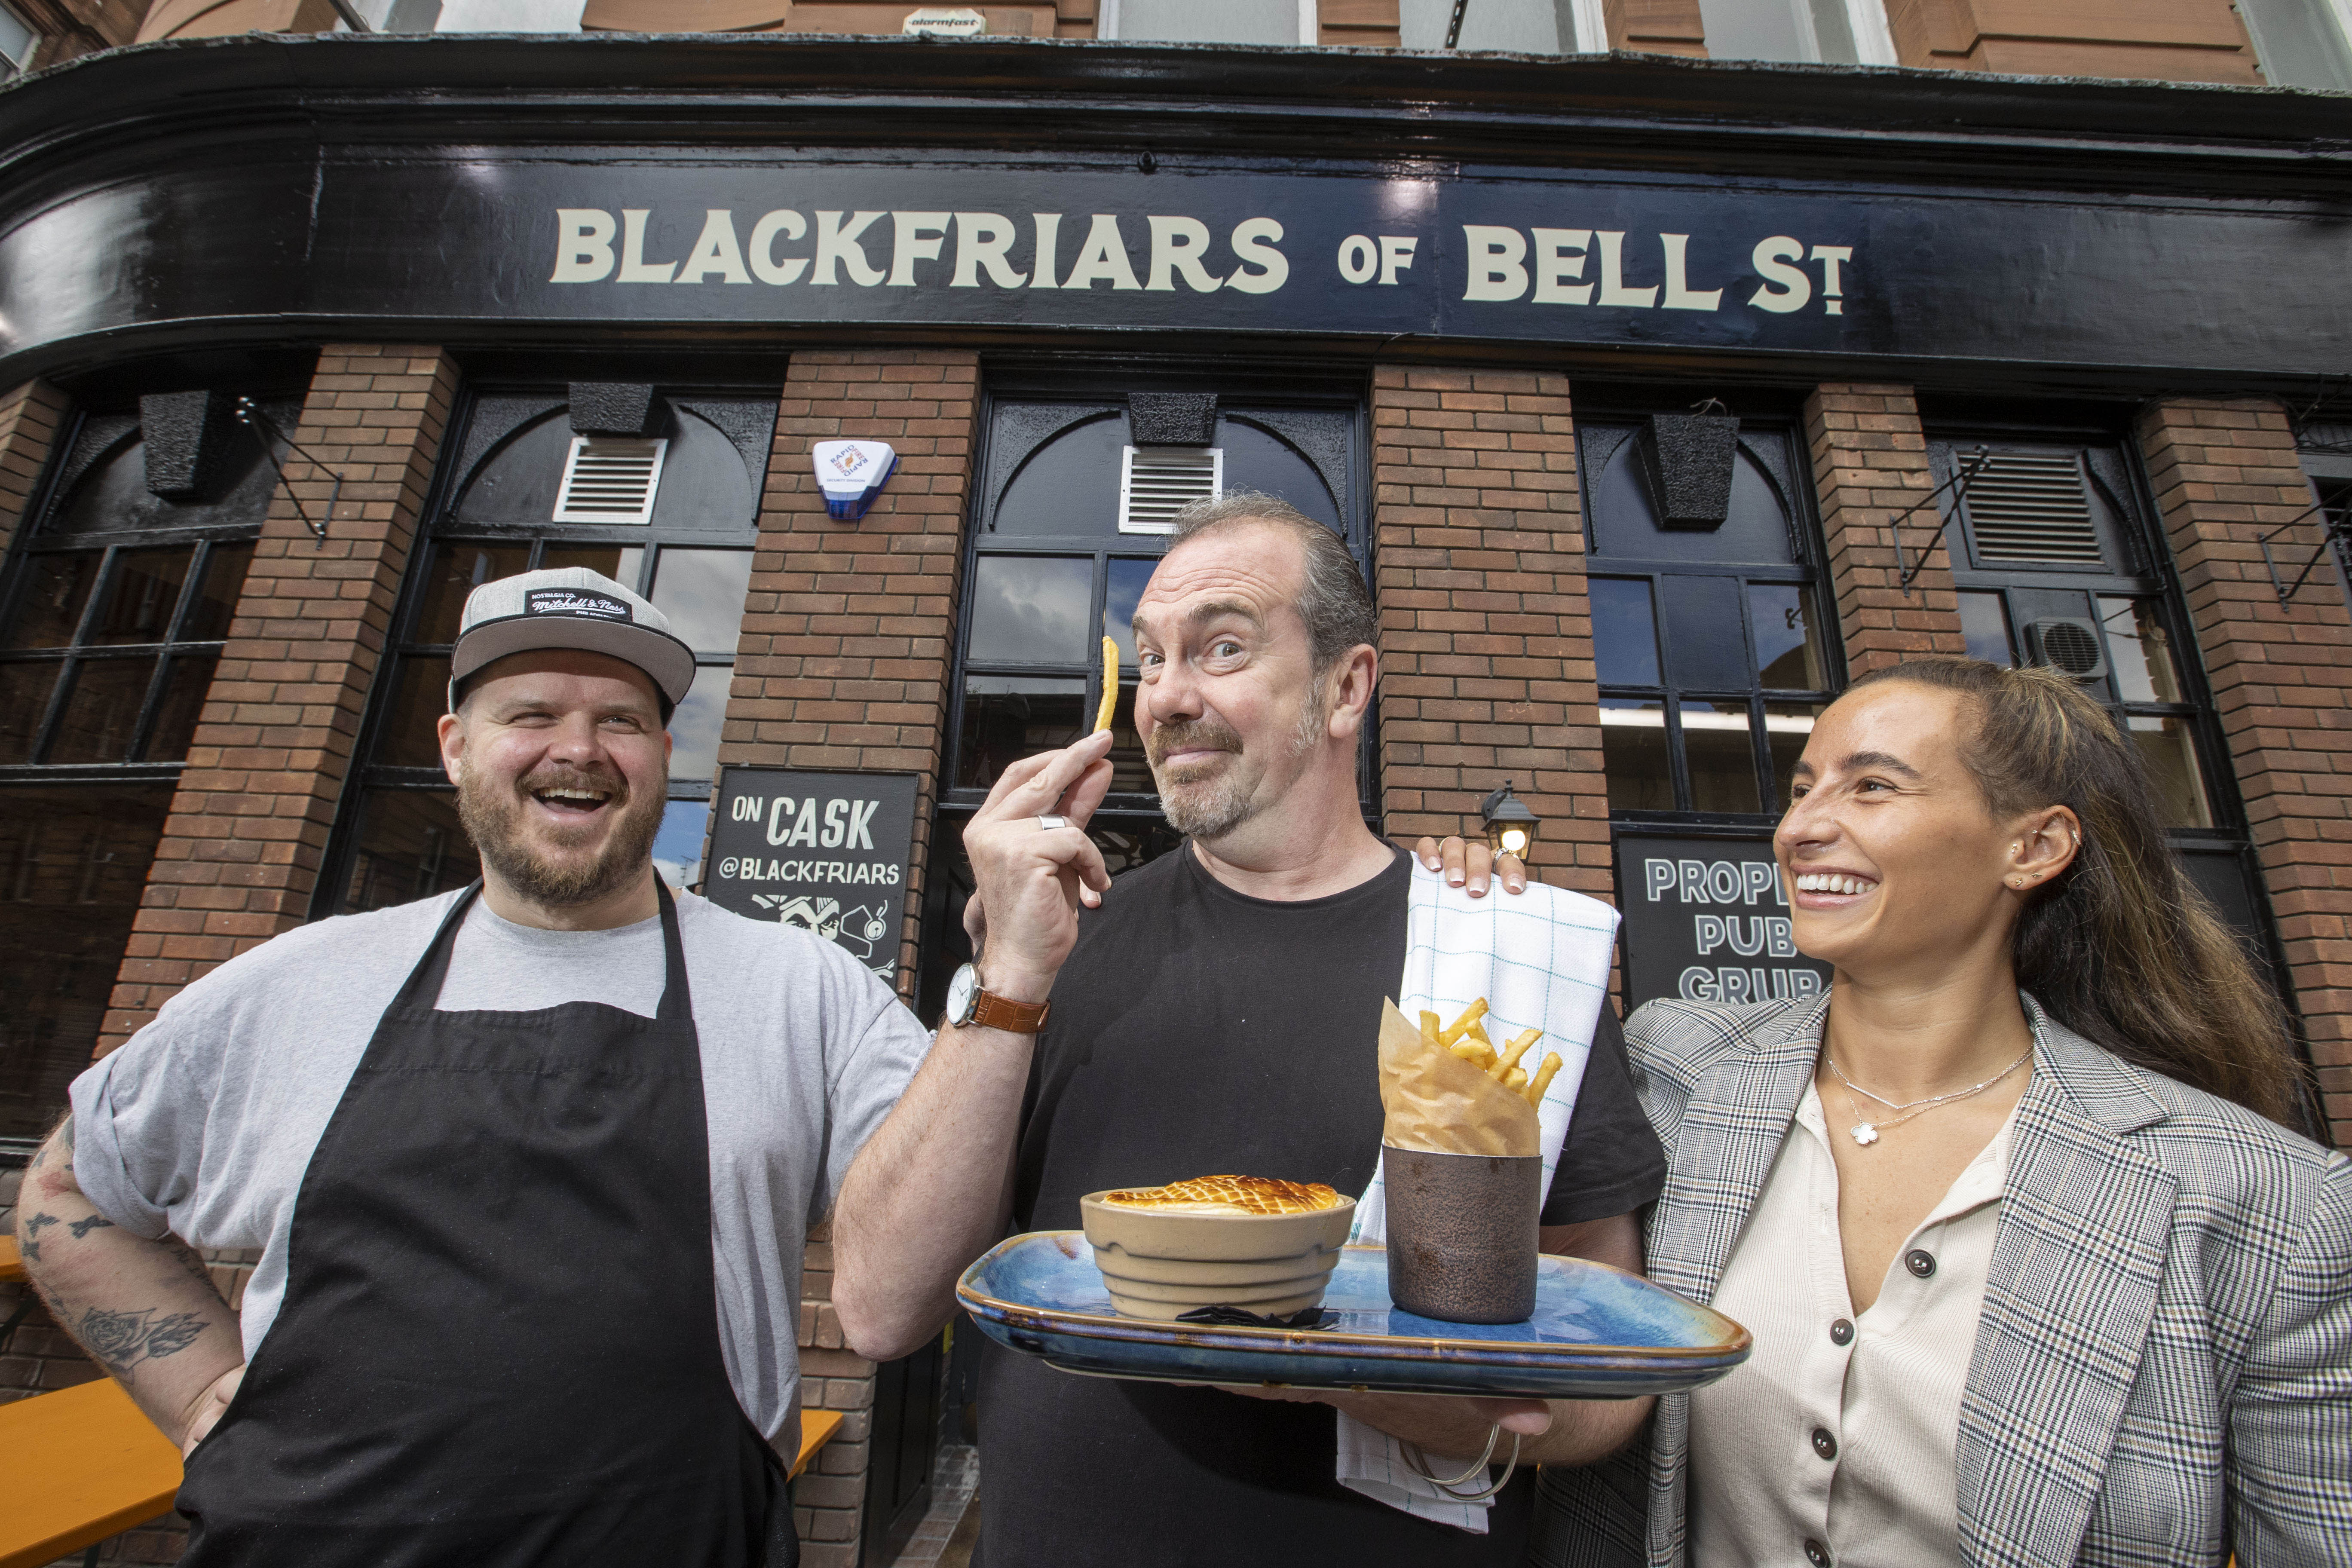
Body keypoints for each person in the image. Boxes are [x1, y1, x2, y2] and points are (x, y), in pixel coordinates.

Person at [17, 566, 1096, 1568]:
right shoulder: (299, 983)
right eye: (531, 714)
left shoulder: (800, 988)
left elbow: (893, 1311)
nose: (577, 749)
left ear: (664, 755)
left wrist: (1006, 972)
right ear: (453, 745)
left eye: (620, 720)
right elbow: (69, 1191)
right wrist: (203, 1393)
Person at [955, 495, 1669, 1568]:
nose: (1170, 697)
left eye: (1222, 648)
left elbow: (1609, 1391)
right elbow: (876, 1307)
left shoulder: (1502, 960)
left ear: (1348, 688)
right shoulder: (1061, 940)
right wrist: (1001, 980)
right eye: (1150, 660)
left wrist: (1404, 1397)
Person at [1534, 658, 2352, 1568]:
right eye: (1803, 790)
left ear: (2034, 847)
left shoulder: (2271, 1202)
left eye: (1872, 786)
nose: (1801, 827)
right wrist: (1465, 912)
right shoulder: (1675, 1072)